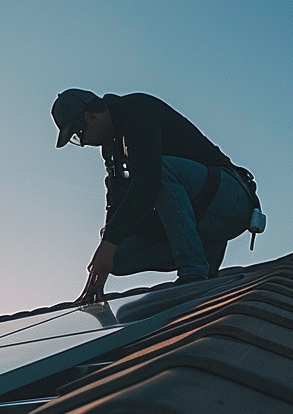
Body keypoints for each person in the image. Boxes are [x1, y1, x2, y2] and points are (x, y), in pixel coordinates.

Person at [51, 89, 260, 305]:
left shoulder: (136, 110)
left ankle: (194, 269)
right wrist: (106, 251)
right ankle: (205, 254)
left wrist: (110, 242)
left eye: (79, 136)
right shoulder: (113, 150)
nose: (84, 143)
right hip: (202, 217)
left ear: (90, 118)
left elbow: (148, 183)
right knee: (119, 257)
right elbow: (117, 205)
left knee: (158, 172)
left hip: (231, 198)